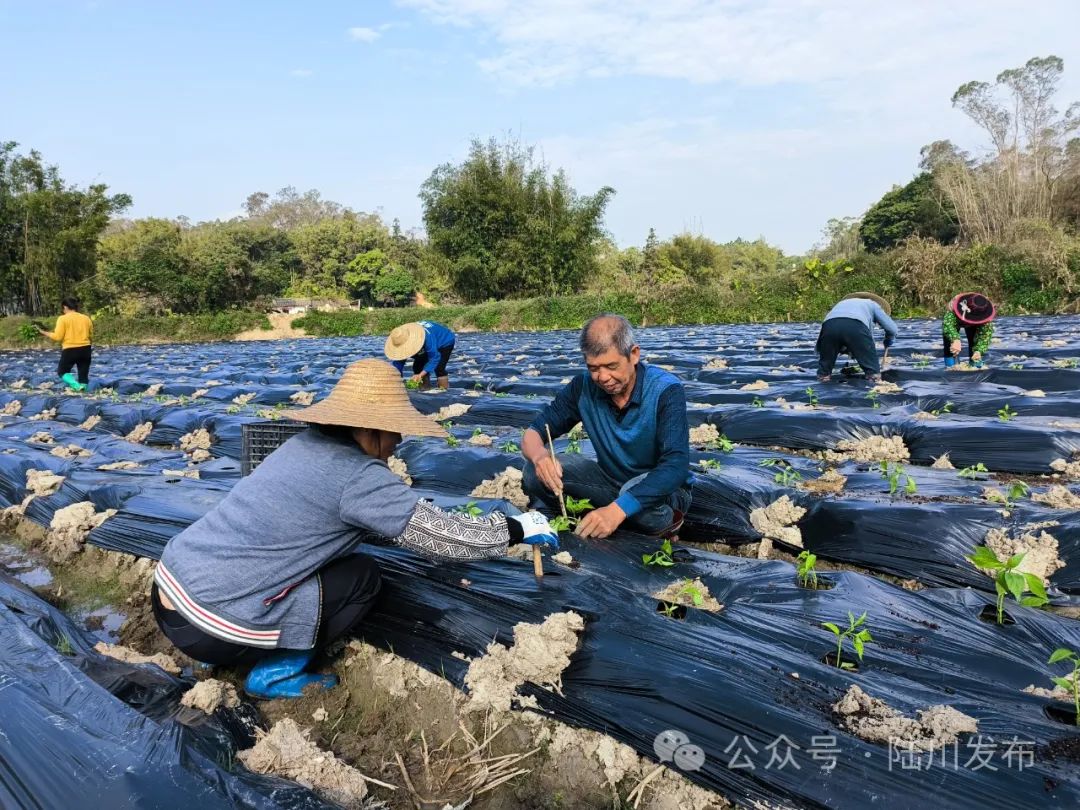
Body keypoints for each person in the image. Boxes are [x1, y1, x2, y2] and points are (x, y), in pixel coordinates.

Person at [151, 359, 557, 699]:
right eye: (393, 428)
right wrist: (517, 528)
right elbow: (445, 538)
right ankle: (273, 672)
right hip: (211, 626)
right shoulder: (358, 476)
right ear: (367, 428)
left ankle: (222, 652)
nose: (398, 439)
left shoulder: (301, 444)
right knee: (362, 576)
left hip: (170, 588)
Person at [520, 314, 692, 540]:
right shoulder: (582, 387)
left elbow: (676, 465)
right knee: (533, 472)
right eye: (593, 368)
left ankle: (666, 525)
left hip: (662, 490)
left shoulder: (665, 391)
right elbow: (533, 434)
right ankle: (603, 516)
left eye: (611, 366)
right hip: (610, 481)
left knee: (636, 502)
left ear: (633, 355)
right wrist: (541, 457)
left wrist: (617, 510)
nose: (603, 377)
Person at [815, 292, 897, 383]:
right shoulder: (872, 304)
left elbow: (840, 327)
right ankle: (874, 383)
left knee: (825, 368)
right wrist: (889, 340)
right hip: (856, 325)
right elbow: (892, 328)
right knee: (872, 371)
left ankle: (822, 384)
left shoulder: (841, 304)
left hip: (828, 327)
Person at [37, 297, 93, 392]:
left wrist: (44, 332)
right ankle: (85, 394)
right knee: (83, 375)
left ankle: (76, 386)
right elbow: (91, 335)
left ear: (65, 307)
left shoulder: (63, 319)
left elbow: (58, 337)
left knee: (62, 372)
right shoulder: (86, 318)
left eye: (63, 309)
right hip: (86, 349)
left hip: (70, 349)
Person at [384, 321, 456, 390]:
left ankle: (444, 391)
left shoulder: (427, 339)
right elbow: (397, 365)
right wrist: (397, 380)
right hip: (430, 339)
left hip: (445, 341)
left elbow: (435, 358)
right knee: (417, 367)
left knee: (439, 368)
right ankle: (425, 390)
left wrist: (420, 375)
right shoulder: (401, 338)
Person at [943, 292, 996, 368]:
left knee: (974, 342)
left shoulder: (984, 318)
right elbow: (948, 325)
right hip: (957, 318)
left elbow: (985, 336)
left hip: (975, 324)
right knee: (950, 344)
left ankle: (975, 363)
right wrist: (955, 339)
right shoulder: (954, 307)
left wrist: (979, 351)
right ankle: (951, 365)